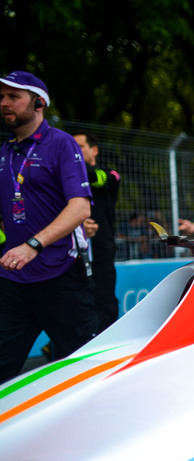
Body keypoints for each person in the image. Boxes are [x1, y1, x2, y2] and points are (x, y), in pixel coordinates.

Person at [0, 71, 96, 383]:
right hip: (12, 278)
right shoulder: (4, 152)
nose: (4, 103)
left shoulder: (61, 144)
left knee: (81, 369)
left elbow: (80, 207)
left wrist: (33, 245)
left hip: (60, 275)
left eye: (13, 97)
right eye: (2, 97)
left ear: (39, 102)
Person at [73, 131, 121, 332]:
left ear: (94, 150)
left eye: (79, 147)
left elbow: (95, 178)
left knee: (104, 302)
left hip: (102, 251)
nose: (75, 152)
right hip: (73, 253)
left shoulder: (109, 175)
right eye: (71, 148)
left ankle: (105, 348)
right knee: (73, 304)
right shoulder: (67, 179)